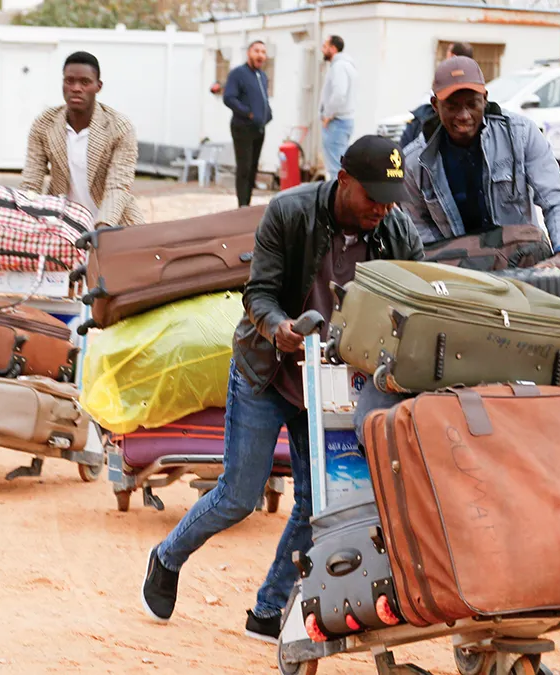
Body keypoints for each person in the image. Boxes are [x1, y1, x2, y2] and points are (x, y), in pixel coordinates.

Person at [140, 135, 425, 641]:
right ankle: (166, 558)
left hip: (331, 385)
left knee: (318, 504)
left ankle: (269, 610)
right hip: (267, 372)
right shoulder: (290, 212)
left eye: (390, 198)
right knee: (237, 496)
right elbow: (259, 292)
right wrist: (279, 328)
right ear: (343, 181)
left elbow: (416, 297)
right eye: (373, 196)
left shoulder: (396, 230)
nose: (382, 208)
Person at [401, 56, 560, 271]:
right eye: (452, 107)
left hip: (519, 263)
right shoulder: (414, 162)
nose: (463, 116)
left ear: (485, 99)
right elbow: (419, 235)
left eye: (471, 104)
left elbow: (556, 200)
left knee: (536, 246)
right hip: (457, 272)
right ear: (435, 105)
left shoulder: (521, 135)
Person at [21, 51, 143, 227]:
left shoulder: (119, 127)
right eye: (69, 81)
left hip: (114, 225)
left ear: (98, 86)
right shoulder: (44, 124)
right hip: (61, 225)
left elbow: (118, 186)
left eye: (85, 82)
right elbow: (31, 181)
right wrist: (22, 216)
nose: (76, 88)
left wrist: (102, 227)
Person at [223, 41, 272, 208]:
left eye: (263, 52)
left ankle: (247, 203)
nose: (260, 55)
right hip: (242, 127)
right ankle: (242, 205)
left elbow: (263, 99)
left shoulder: (262, 76)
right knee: (244, 168)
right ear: (249, 53)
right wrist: (248, 113)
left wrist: (268, 115)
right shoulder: (238, 73)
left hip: (259, 128)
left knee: (253, 168)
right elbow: (229, 98)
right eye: (257, 51)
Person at [400, 42, 473, 149]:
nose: (464, 116)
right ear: (435, 102)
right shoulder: (421, 119)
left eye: (472, 104)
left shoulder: (494, 129)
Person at [319, 35, 356, 179]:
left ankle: (337, 200)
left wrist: (328, 115)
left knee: (335, 168)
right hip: (344, 121)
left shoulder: (339, 67)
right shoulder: (348, 66)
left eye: (325, 46)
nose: (322, 50)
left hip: (337, 122)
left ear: (333, 48)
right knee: (340, 164)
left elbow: (339, 93)